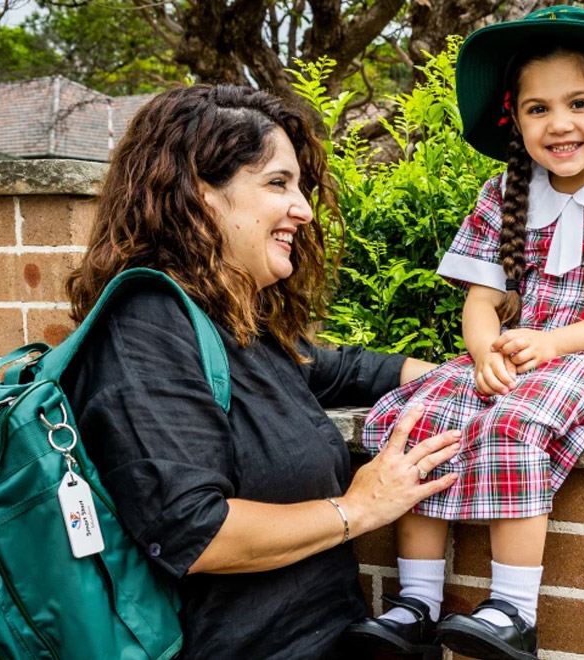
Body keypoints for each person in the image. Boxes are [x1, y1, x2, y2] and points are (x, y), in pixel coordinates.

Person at [60, 84, 464, 660]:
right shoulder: (145, 326)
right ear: (200, 194)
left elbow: (339, 369)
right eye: (278, 183)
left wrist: (475, 378)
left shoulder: (233, 324)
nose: (302, 209)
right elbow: (195, 532)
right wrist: (361, 507)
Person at [345, 7, 584, 660]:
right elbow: (481, 304)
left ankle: (513, 609)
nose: (559, 123)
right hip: (516, 356)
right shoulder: (503, 192)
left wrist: (553, 344)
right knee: (424, 415)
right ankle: (416, 604)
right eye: (538, 109)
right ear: (516, 121)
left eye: (580, 103)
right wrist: (483, 354)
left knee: (516, 422)